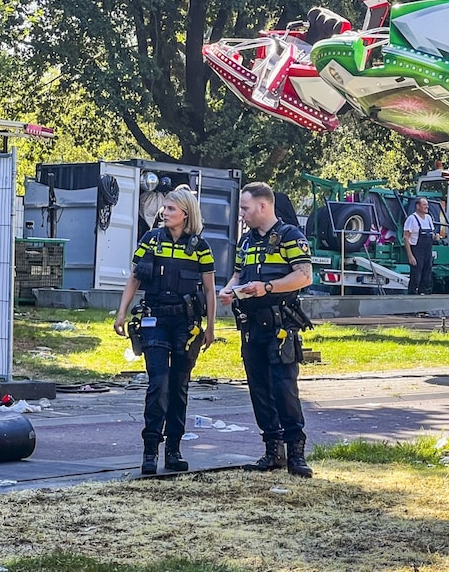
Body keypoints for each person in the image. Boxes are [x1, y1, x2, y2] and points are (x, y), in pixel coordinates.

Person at [114, 186, 216, 475]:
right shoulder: (150, 240)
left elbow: (209, 290)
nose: (165, 212)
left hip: (186, 325)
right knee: (158, 383)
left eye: (171, 208)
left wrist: (210, 327)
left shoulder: (200, 247)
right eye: (165, 208)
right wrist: (122, 312)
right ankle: (150, 450)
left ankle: (174, 450)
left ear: (186, 213)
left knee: (179, 387)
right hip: (154, 320)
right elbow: (134, 278)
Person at [217, 182, 315, 477]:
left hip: (279, 326)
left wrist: (268, 287)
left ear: (263, 206)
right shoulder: (245, 242)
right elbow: (237, 274)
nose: (242, 214)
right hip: (251, 327)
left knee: (284, 389)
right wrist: (228, 291)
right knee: (259, 389)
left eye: (245, 208)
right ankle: (272, 451)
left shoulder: (290, 237)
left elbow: (304, 276)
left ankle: (296, 453)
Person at [403, 196, 436, 295]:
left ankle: (423, 296)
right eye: (424, 205)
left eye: (427, 204)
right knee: (416, 276)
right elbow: (405, 238)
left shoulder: (429, 218)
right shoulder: (412, 219)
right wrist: (410, 256)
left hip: (427, 251)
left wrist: (435, 236)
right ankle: (412, 297)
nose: (427, 207)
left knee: (426, 276)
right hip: (416, 250)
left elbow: (431, 234)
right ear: (417, 206)